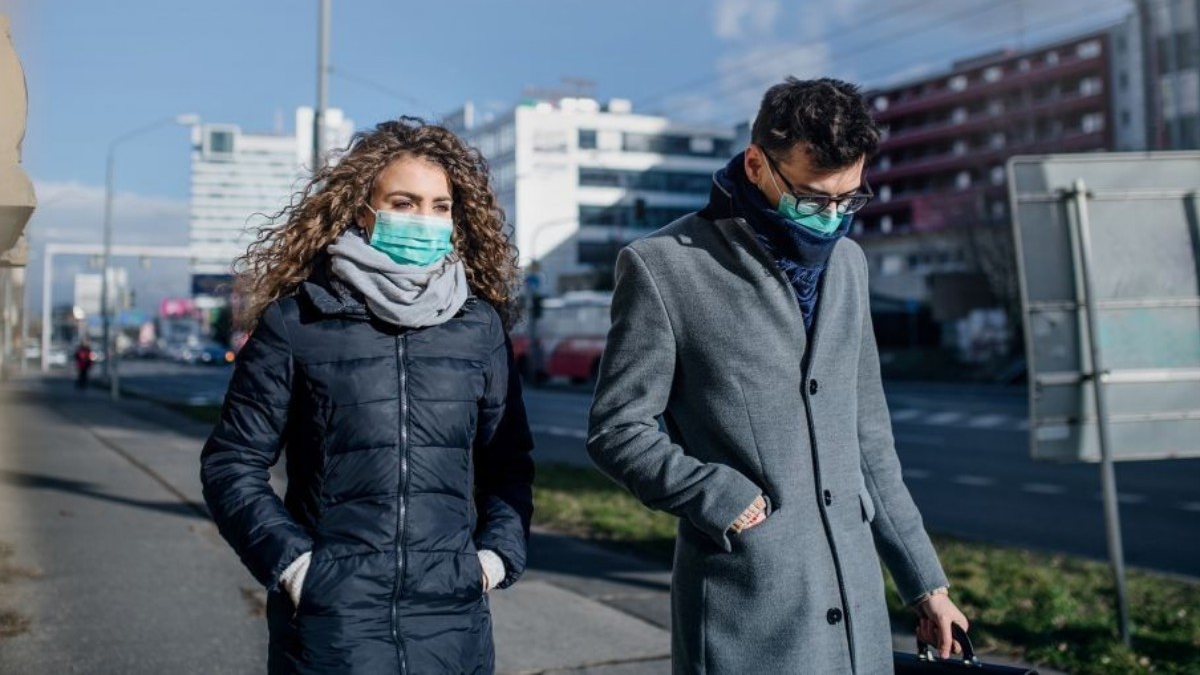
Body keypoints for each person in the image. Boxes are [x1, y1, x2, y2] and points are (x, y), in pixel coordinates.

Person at [587, 78, 968, 674]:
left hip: (856, 612)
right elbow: (618, 429)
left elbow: (869, 442)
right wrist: (716, 495)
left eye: (850, 199)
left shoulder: (849, 264)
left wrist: (927, 586)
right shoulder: (663, 266)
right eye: (815, 200)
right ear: (757, 163)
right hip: (749, 611)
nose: (833, 218)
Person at [200, 118, 534, 675]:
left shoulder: (479, 328)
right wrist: (295, 566)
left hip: (452, 621)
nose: (424, 219)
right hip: (333, 624)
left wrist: (494, 559)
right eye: (404, 202)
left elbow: (508, 464)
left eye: (439, 206)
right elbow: (232, 462)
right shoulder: (296, 322)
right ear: (363, 211)